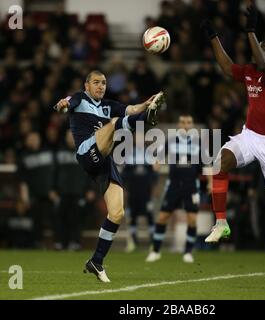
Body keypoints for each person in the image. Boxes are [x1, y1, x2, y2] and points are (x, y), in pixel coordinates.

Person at [201, 1, 265, 285]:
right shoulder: (250, 72)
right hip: (251, 135)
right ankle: (221, 222)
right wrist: (213, 37)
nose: (258, 52)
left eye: (263, 49)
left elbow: (264, 61)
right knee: (220, 161)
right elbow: (227, 67)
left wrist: (251, 31)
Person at [56, 70, 164, 282]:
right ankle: (146, 119)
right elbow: (69, 101)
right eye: (96, 82)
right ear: (86, 85)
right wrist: (63, 104)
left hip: (104, 160)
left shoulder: (108, 105)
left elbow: (130, 108)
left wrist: (146, 104)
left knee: (117, 212)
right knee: (116, 123)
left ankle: (96, 261)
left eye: (104, 83)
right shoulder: (80, 98)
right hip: (87, 152)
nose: (100, 86)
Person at [146, 114, 208, 263]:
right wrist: (157, 162)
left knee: (192, 219)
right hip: (173, 184)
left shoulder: (199, 143)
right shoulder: (171, 140)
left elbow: (207, 165)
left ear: (192, 125)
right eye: (182, 122)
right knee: (162, 217)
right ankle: (155, 251)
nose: (185, 125)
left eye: (188, 122)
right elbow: (159, 155)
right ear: (179, 125)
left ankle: (188, 252)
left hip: (191, 185)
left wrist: (211, 183)